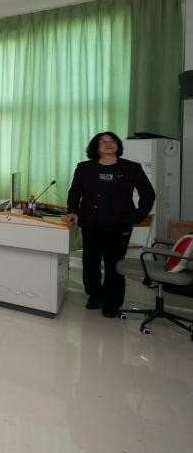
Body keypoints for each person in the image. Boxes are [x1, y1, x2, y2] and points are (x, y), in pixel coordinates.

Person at [65, 131, 156, 318]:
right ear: (96, 147)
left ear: (117, 145)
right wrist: (73, 211)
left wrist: (136, 217)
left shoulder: (131, 168)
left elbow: (148, 194)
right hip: (91, 223)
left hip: (119, 226)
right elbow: (74, 192)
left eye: (112, 141)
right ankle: (94, 295)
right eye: (103, 142)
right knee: (90, 262)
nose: (108, 144)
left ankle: (112, 302)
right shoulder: (84, 168)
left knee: (114, 264)